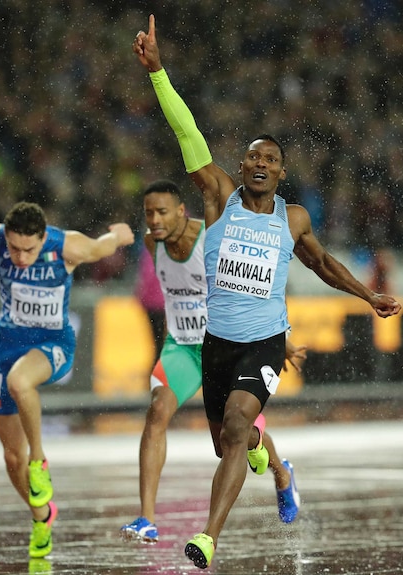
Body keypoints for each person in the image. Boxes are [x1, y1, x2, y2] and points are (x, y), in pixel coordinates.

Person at [133, 15, 403, 569]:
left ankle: (208, 537)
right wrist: (159, 74)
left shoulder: (293, 220)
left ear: (281, 174)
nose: (260, 163)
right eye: (254, 156)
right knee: (228, 444)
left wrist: (366, 297)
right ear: (242, 166)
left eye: (271, 159)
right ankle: (280, 471)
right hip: (216, 343)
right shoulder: (218, 200)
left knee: (236, 428)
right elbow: (188, 134)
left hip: (265, 343)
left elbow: (323, 264)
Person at [121, 180, 306, 543]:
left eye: (161, 212)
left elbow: (254, 286)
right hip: (183, 349)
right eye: (148, 214)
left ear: (181, 212)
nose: (154, 221)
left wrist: (278, 339)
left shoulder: (213, 238)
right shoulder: (151, 245)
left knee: (230, 439)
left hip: (227, 347)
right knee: (157, 410)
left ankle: (281, 473)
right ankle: (146, 518)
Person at [0, 201, 134, 558]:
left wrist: (118, 236)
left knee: (21, 384)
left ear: (43, 238)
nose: (19, 257)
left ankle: (40, 461)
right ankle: (42, 516)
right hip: (10, 349)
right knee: (10, 458)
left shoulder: (67, 247)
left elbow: (100, 246)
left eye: (28, 249)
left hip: (54, 345)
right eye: (14, 248)